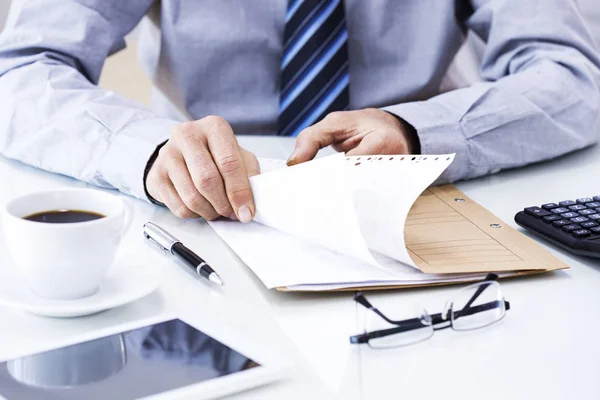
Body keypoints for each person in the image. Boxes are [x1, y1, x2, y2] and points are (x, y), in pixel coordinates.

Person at [0, 1, 598, 223]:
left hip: (422, 190)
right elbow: (18, 71)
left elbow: (574, 78)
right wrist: (146, 149)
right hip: (205, 201)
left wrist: (418, 131)